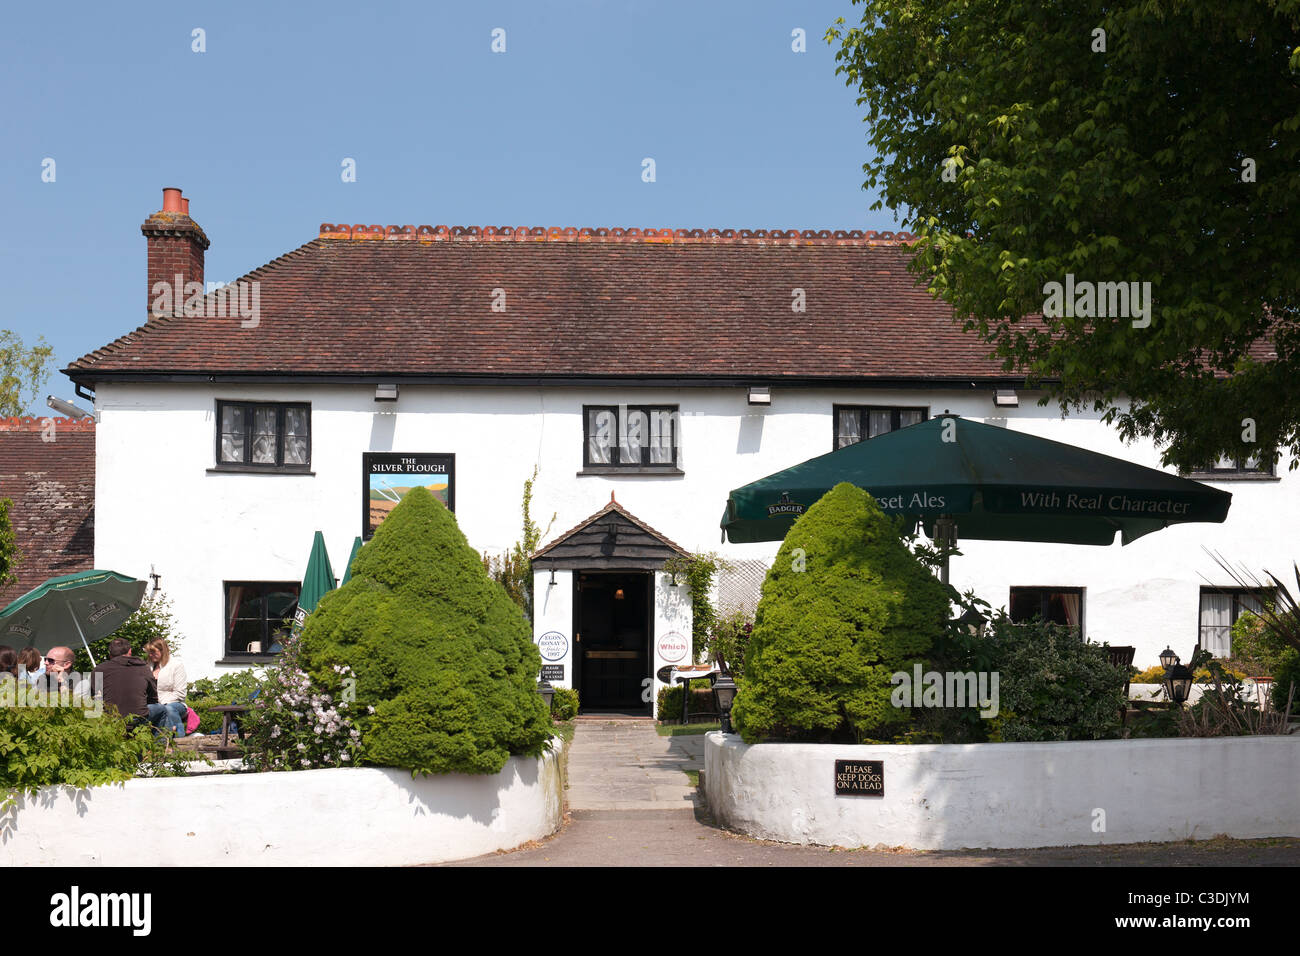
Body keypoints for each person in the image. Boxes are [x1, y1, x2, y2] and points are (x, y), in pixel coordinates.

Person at [93, 638, 157, 728]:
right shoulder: (143, 667)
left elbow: (95, 699)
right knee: (162, 710)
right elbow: (153, 696)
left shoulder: (99, 670)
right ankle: (159, 741)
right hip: (139, 718)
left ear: (110, 654)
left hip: (110, 719)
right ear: (130, 651)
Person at [144, 638, 187, 737]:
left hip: (175, 703)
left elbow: (180, 693)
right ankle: (159, 743)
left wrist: (161, 704)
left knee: (168, 709)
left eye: (153, 652)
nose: (150, 655)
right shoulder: (147, 666)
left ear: (163, 651)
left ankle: (179, 740)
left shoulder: (176, 665)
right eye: (149, 652)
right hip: (153, 704)